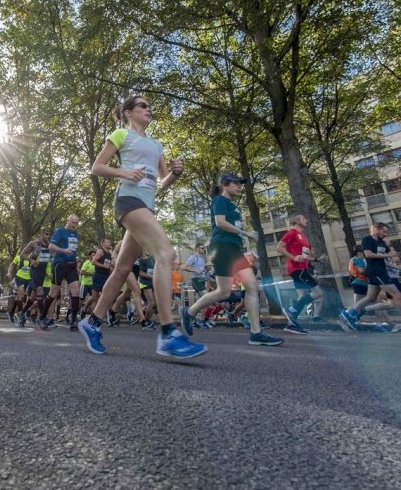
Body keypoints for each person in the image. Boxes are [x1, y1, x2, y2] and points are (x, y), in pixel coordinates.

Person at [77, 94, 205, 359]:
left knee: (123, 268)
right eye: (143, 106)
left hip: (147, 206)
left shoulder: (156, 144)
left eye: (149, 106)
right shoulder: (121, 136)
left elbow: (162, 181)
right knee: (166, 254)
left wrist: (175, 173)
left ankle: (93, 323)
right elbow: (97, 167)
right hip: (127, 201)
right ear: (128, 112)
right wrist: (125, 173)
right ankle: (169, 333)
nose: (149, 109)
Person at [181, 173, 282, 346]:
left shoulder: (232, 205)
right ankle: (190, 312)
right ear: (225, 185)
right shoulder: (220, 200)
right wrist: (246, 233)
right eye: (236, 183)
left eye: (240, 184)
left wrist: (243, 238)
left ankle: (190, 312)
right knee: (239, 288)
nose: (240, 186)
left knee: (231, 290)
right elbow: (220, 223)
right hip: (222, 247)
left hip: (233, 248)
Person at [340, 222, 401, 334]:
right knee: (397, 296)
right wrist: (387, 255)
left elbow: (390, 258)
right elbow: (369, 255)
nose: (385, 234)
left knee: (370, 297)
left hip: (381, 271)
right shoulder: (367, 240)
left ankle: (350, 314)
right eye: (383, 231)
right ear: (375, 229)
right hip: (376, 271)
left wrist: (392, 257)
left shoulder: (382, 242)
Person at [275, 214, 323, 334]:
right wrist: (293, 257)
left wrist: (316, 259)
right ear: (296, 221)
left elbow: (305, 256)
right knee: (318, 293)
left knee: (302, 296)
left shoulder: (303, 236)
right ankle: (291, 310)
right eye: (303, 218)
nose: (306, 220)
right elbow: (279, 247)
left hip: (302, 268)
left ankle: (292, 324)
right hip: (297, 269)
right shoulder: (292, 233)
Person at [43, 215, 81, 330]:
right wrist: (63, 250)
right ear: (67, 220)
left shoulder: (75, 234)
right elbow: (51, 246)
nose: (74, 225)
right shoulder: (60, 231)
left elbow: (73, 249)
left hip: (71, 266)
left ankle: (73, 320)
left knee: (76, 291)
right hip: (59, 265)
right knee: (54, 292)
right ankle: (43, 316)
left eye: (76, 223)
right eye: (73, 222)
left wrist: (76, 261)